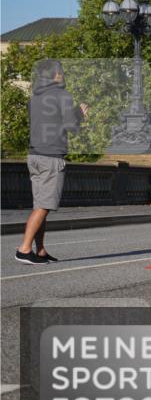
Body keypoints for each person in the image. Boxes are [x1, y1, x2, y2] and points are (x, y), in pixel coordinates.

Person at [15, 59, 87, 265]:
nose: (63, 74)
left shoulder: (34, 98)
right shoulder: (62, 95)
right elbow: (71, 127)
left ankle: (40, 251)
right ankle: (24, 249)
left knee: (40, 205)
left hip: (34, 156)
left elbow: (49, 122)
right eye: (61, 71)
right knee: (44, 206)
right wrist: (80, 115)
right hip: (51, 157)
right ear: (55, 75)